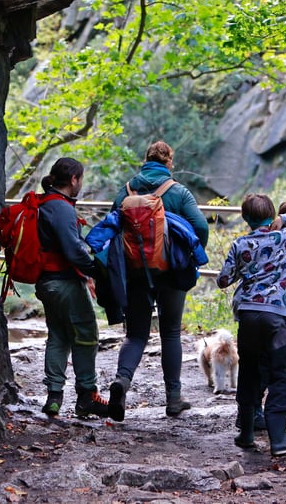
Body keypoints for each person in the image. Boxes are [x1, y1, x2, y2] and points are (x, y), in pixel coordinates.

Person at [107, 141, 209, 421]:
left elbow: (112, 225)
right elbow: (200, 226)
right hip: (172, 271)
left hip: (136, 271)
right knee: (171, 332)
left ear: (145, 160)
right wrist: (189, 254)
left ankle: (122, 382)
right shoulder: (177, 191)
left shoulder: (127, 190)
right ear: (169, 163)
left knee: (136, 334)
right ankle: (173, 399)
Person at [217, 193, 286, 456]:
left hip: (248, 315)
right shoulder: (283, 238)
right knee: (280, 374)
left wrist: (243, 272)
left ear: (245, 218)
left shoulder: (240, 244)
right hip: (276, 316)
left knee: (249, 371)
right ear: (272, 215)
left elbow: (224, 279)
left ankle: (246, 433)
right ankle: (279, 439)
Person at [35, 157, 110, 419]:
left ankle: (54, 397)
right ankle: (87, 396)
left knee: (58, 335)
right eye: (81, 179)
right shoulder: (62, 207)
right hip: (65, 282)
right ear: (74, 180)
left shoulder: (44, 204)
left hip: (45, 283)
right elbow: (72, 249)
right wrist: (96, 270)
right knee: (86, 334)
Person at [237, 199, 286, 433]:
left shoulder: (257, 239)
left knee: (254, 366)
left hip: (250, 310)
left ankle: (249, 418)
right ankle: (267, 425)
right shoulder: (284, 241)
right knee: (273, 369)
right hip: (275, 312)